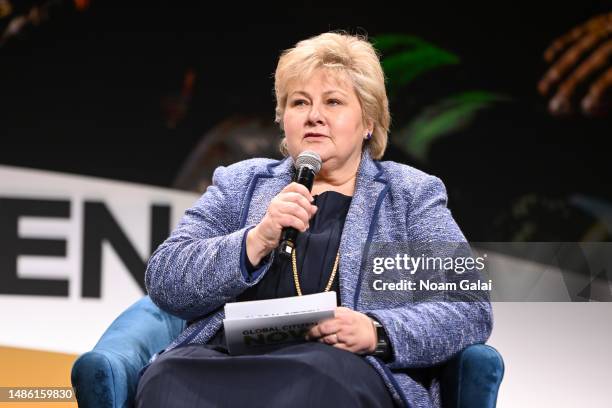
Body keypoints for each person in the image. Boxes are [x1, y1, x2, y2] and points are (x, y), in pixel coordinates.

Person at [136, 32, 492, 408]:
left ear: (368, 121)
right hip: (231, 359)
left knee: (316, 381)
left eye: (333, 102)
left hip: (341, 367)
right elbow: (165, 279)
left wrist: (377, 331)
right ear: (283, 119)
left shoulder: (410, 195)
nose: (314, 116)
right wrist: (253, 241)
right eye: (299, 102)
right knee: (165, 378)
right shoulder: (241, 183)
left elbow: (469, 307)